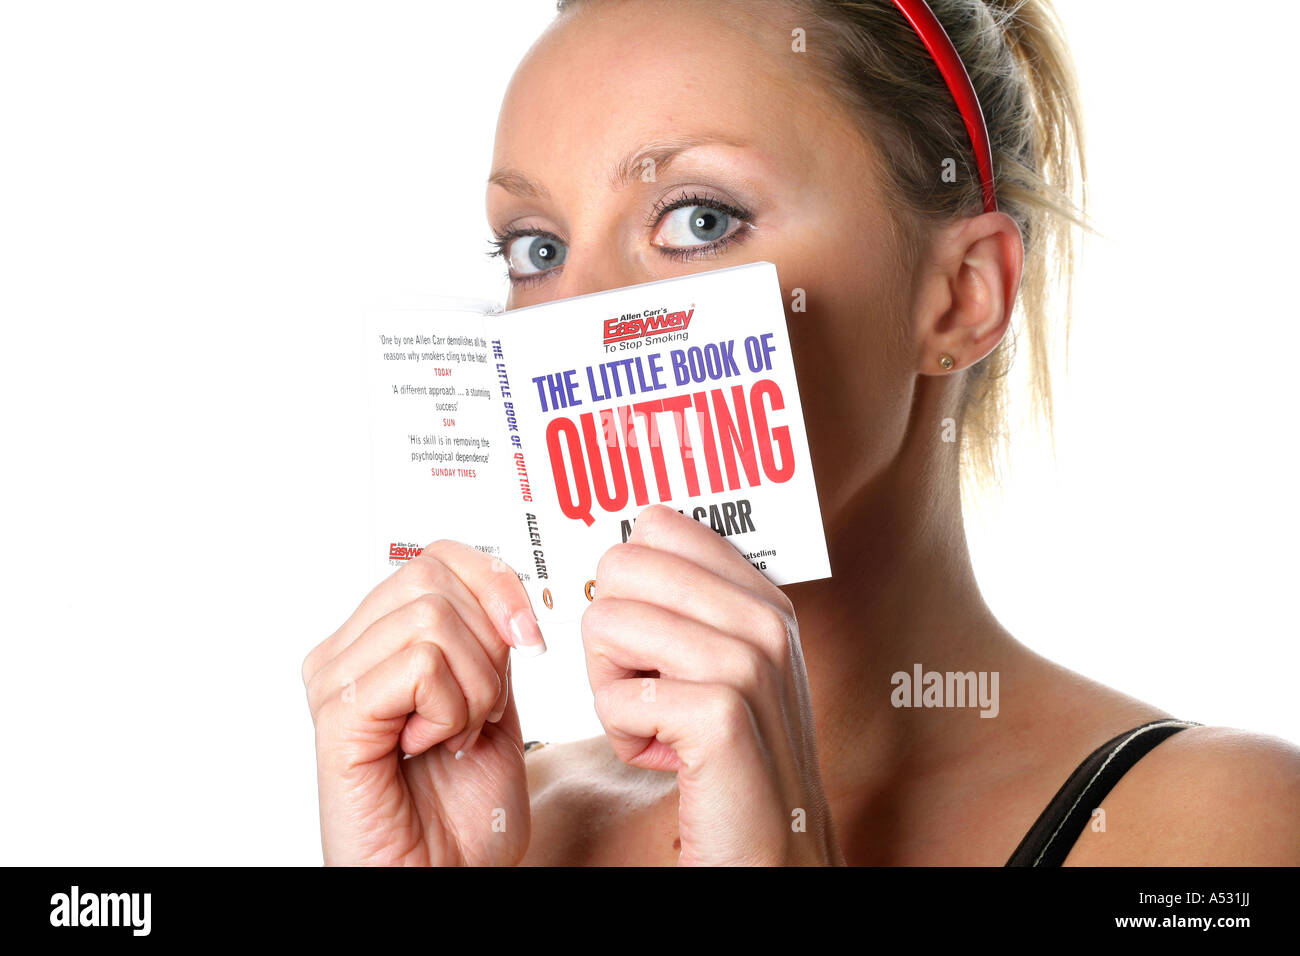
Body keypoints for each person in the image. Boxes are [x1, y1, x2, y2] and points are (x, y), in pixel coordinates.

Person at [301, 0, 1300, 865]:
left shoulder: (1214, 824)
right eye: (537, 247)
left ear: (960, 295)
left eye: (698, 220)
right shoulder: (510, 823)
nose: (572, 320)